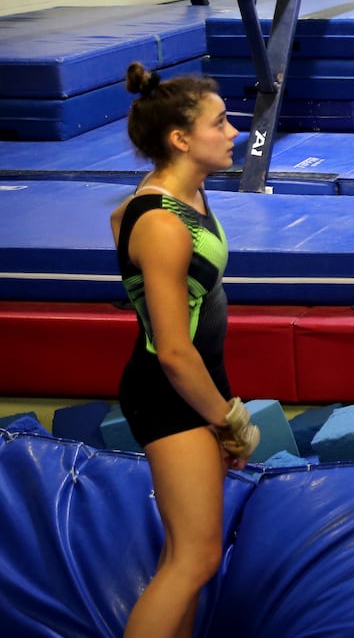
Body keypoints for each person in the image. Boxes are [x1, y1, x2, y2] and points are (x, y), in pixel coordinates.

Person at [112, 62, 258, 638]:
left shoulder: (184, 194)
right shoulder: (162, 223)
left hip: (198, 382)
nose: (235, 133)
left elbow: (120, 217)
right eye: (220, 123)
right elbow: (172, 351)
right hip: (169, 391)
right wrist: (228, 417)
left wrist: (220, 402)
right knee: (192, 560)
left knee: (193, 556)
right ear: (180, 139)